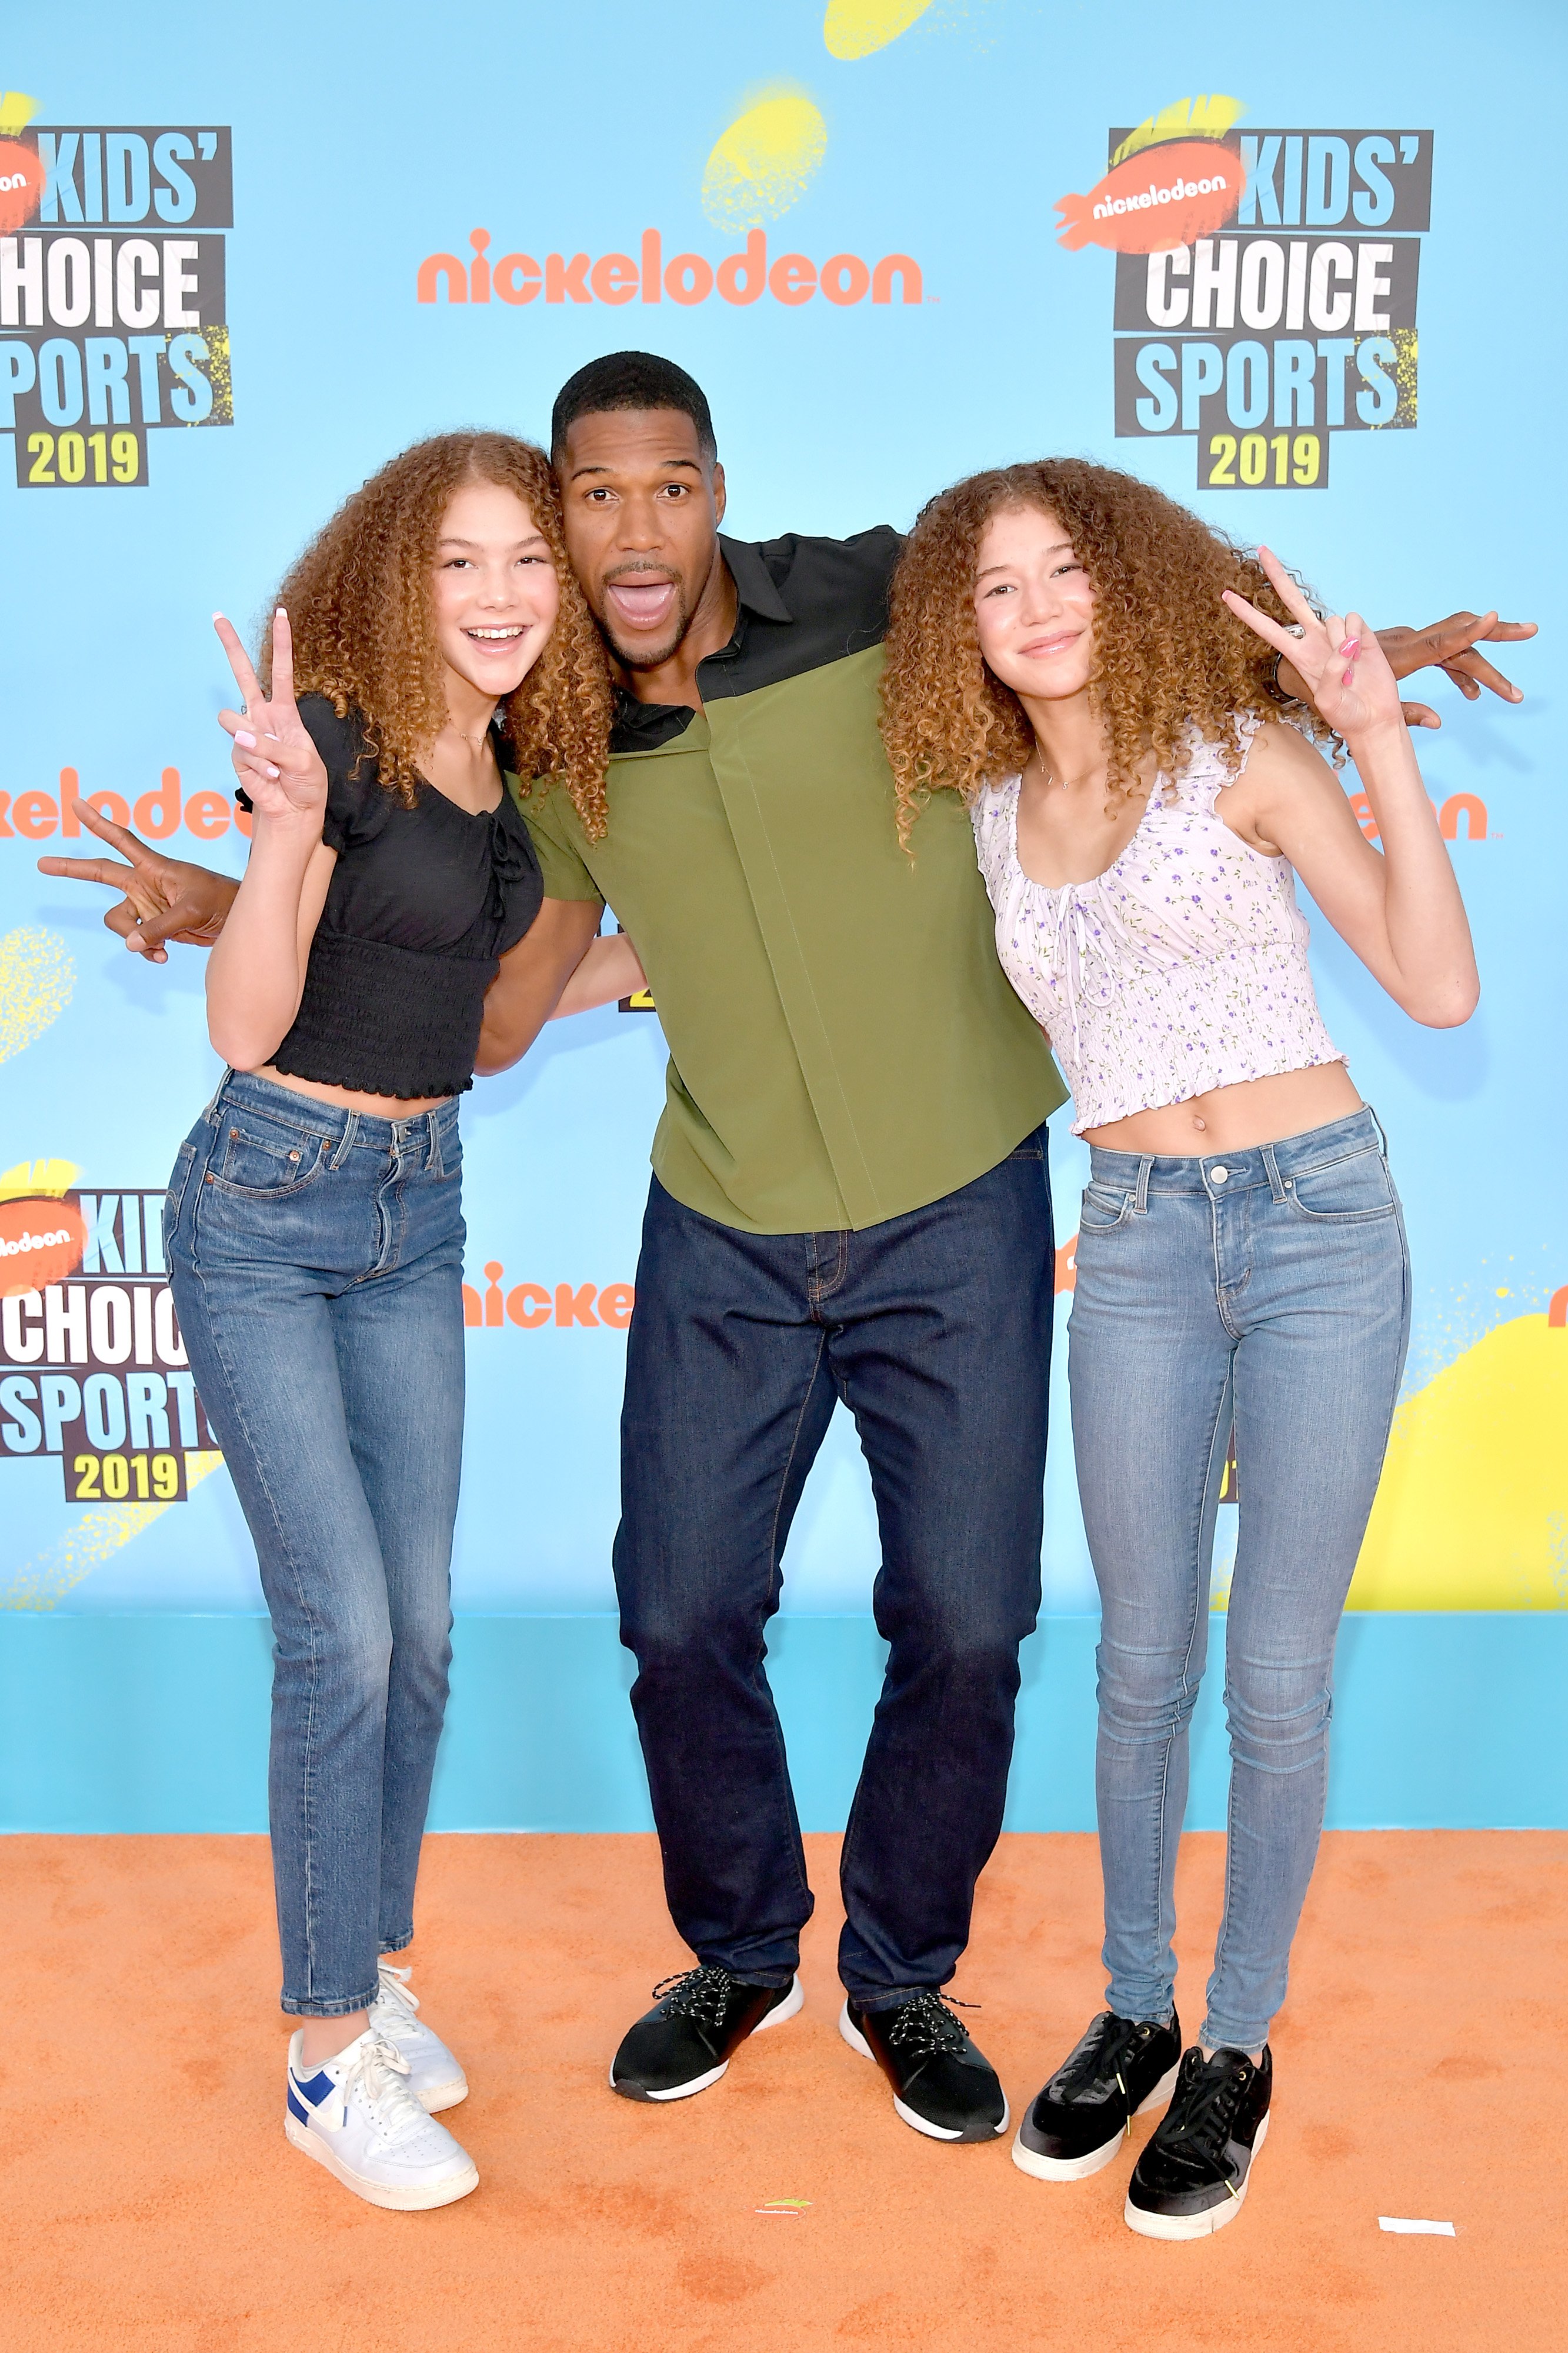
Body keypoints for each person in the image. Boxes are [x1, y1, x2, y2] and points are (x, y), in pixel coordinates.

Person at [46, 358, 1533, 2154]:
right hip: (724, 1228)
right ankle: (740, 1950)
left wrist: (1355, 679)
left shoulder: (871, 603)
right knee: (676, 1618)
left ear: (714, 486)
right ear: (562, 511)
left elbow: (1074, 622)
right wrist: (234, 899)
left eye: (665, 486)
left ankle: (900, 1975)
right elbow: (499, 993)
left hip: (956, 1208)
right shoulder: (562, 732)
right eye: (590, 496)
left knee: (970, 1626)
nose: (630, 530)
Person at [878, 459, 1487, 2232]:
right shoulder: (983, 810)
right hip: (1135, 1240)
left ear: (1126, 582)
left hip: (1313, 1227)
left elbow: (1432, 987)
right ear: (957, 632)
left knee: (1278, 1679)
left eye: (1064, 569)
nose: (1037, 607)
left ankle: (1232, 2042)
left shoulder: (1236, 753)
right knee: (1140, 1669)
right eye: (995, 587)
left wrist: (1373, 729)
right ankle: (1133, 2008)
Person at [137, 432, 620, 2210]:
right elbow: (246, 1028)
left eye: (527, 566)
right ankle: (325, 2052)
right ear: (394, 579)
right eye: (460, 563)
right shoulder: (330, 735)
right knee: (337, 1628)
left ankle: (378, 1966)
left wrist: (751, 949)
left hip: (420, 1215)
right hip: (268, 1201)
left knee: (417, 1634)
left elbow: (507, 998)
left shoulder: (509, 763)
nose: (500, 597)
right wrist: (273, 844)